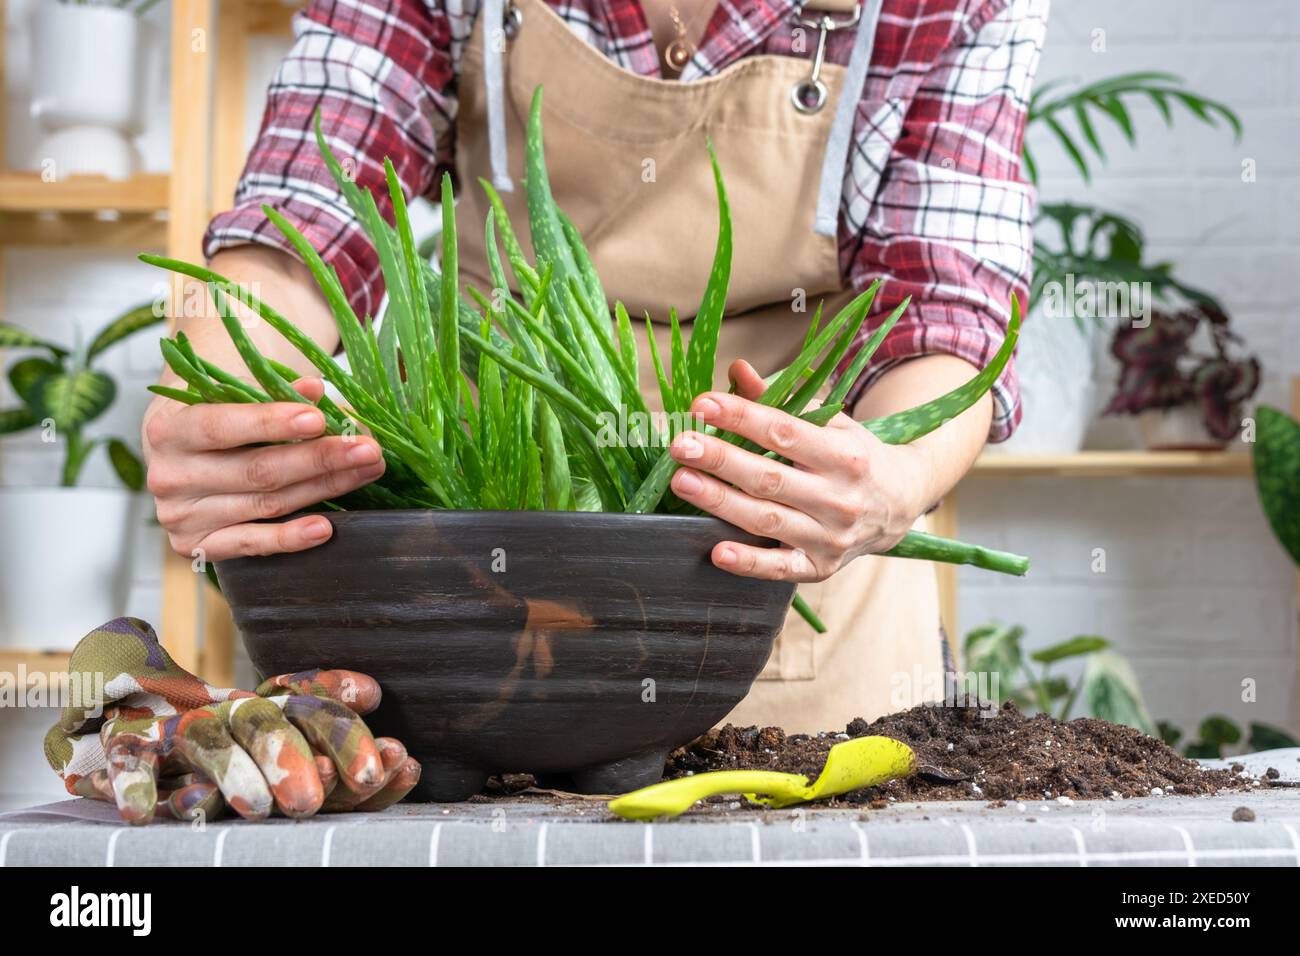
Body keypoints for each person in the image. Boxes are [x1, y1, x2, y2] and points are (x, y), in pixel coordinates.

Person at [143, 0, 1047, 735]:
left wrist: (893, 471)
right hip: (475, 584)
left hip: (795, 560)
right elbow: (303, 221)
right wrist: (223, 398)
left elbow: (948, 313)